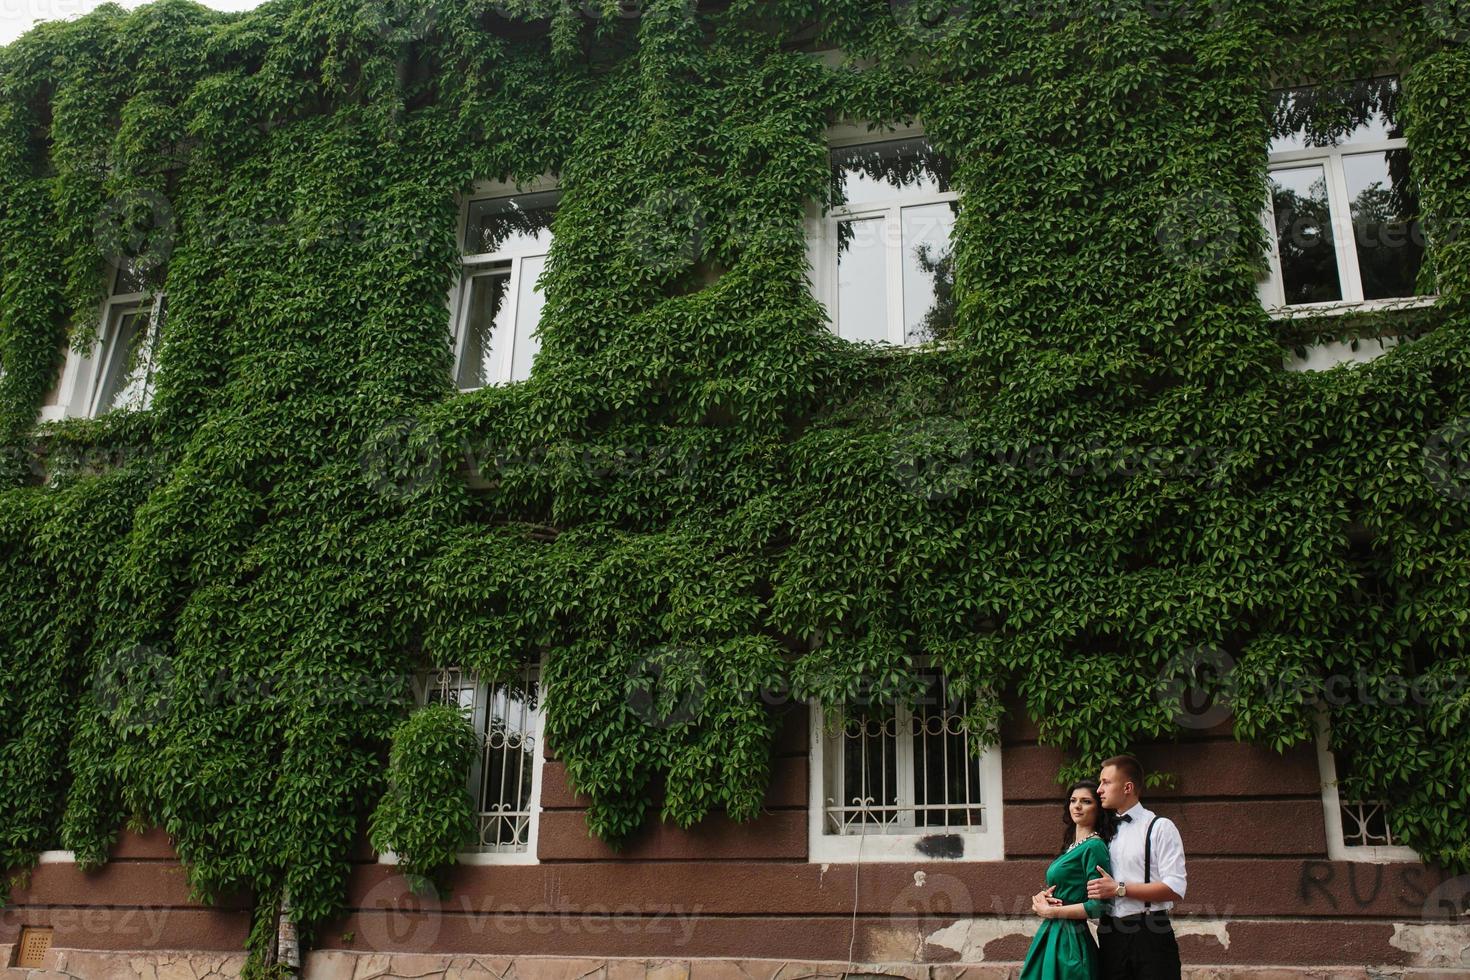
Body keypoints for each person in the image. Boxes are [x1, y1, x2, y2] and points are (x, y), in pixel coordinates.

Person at [1087, 754, 1188, 980]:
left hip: (1150, 931)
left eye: (1106, 782)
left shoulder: (1159, 827)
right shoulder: (1104, 832)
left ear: (1128, 787)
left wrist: (1119, 889)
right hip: (1110, 933)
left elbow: (1175, 886)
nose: (1099, 789)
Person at [1018, 779, 1119, 979]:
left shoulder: (1094, 847)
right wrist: (1043, 898)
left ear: (1099, 809)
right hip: (1053, 933)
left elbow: (1098, 907)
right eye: (1073, 801)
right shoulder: (1073, 846)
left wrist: (1052, 911)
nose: (1077, 806)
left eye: (1086, 801)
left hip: (1071, 940)